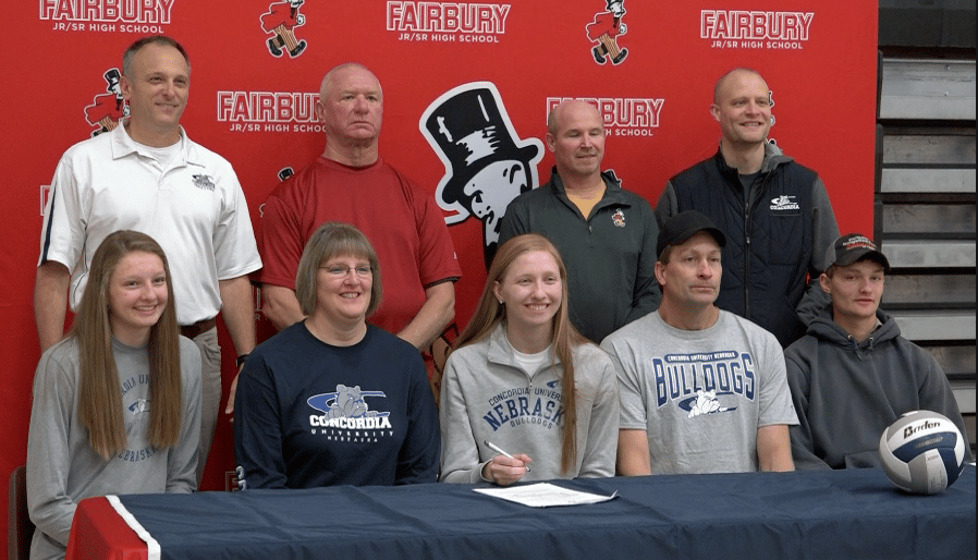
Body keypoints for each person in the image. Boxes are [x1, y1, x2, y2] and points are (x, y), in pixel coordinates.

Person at [34, 35, 262, 483]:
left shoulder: (216, 171)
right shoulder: (83, 162)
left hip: (194, 351)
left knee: (180, 484)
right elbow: (54, 271)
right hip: (103, 351)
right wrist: (52, 369)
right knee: (94, 483)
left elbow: (233, 276)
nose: (169, 91)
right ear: (126, 88)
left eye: (180, 81)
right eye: (156, 79)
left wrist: (247, 361)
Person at [256, 62, 461, 355]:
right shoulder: (290, 199)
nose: (362, 107)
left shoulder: (417, 198)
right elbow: (277, 302)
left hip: (402, 370)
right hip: (320, 371)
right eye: (348, 97)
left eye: (372, 98)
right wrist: (338, 357)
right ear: (321, 112)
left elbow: (443, 301)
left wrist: (392, 356)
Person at [27, 231, 201, 560]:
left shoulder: (186, 357)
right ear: (104, 292)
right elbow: (46, 505)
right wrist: (123, 547)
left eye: (158, 280)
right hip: (74, 548)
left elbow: (180, 481)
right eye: (132, 283)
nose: (150, 295)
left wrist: (146, 547)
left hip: (150, 547)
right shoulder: (62, 364)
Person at [234, 222, 440, 489]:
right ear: (311, 279)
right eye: (337, 269)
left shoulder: (405, 362)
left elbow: (420, 475)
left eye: (363, 269)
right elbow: (262, 482)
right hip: (299, 527)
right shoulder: (267, 365)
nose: (353, 280)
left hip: (388, 527)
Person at [655, 67, 839, 347]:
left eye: (762, 102)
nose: (753, 111)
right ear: (717, 112)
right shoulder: (682, 190)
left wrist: (798, 321)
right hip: (702, 353)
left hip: (785, 351)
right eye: (740, 103)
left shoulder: (805, 185)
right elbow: (656, 276)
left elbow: (831, 273)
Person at [603, 211, 797, 475]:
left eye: (713, 260)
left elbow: (777, 461)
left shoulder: (761, 345)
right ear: (661, 272)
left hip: (748, 510)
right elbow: (635, 466)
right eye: (691, 259)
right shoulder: (622, 350)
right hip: (666, 512)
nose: (705, 271)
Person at [440, 234, 619, 485]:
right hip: (494, 516)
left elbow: (599, 475)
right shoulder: (464, 366)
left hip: (570, 517)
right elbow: (453, 477)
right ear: (499, 290)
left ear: (562, 287)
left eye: (549, 280)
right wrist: (487, 472)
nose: (539, 293)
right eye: (525, 281)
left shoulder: (596, 365)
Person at [785, 233, 973, 469]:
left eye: (875, 278)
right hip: (833, 502)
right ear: (825, 283)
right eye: (852, 277)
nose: (866, 288)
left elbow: (954, 452)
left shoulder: (918, 363)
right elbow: (794, 457)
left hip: (910, 500)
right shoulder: (798, 363)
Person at [498, 99, 659, 344]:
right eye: (574, 135)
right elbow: (514, 294)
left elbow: (651, 293)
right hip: (549, 360)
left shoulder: (637, 210)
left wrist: (615, 349)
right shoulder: (524, 212)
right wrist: (564, 349)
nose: (587, 144)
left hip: (625, 360)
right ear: (551, 142)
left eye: (595, 133)